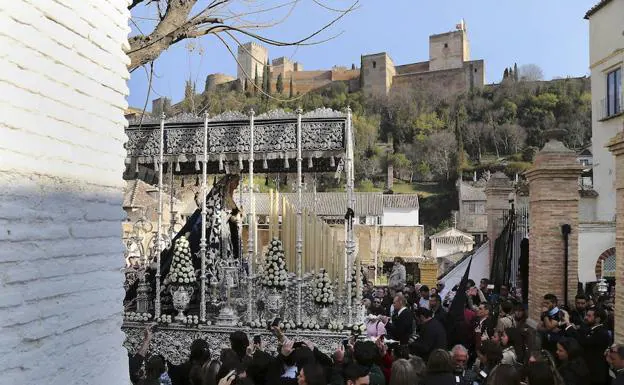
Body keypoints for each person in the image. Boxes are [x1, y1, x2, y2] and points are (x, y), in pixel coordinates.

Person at [578, 307, 611, 385]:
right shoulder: (591, 330)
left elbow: (584, 342)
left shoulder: (601, 332)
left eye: (589, 316)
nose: (585, 317)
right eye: (586, 315)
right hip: (589, 372)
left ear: (598, 319)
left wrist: (569, 327)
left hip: (596, 374)